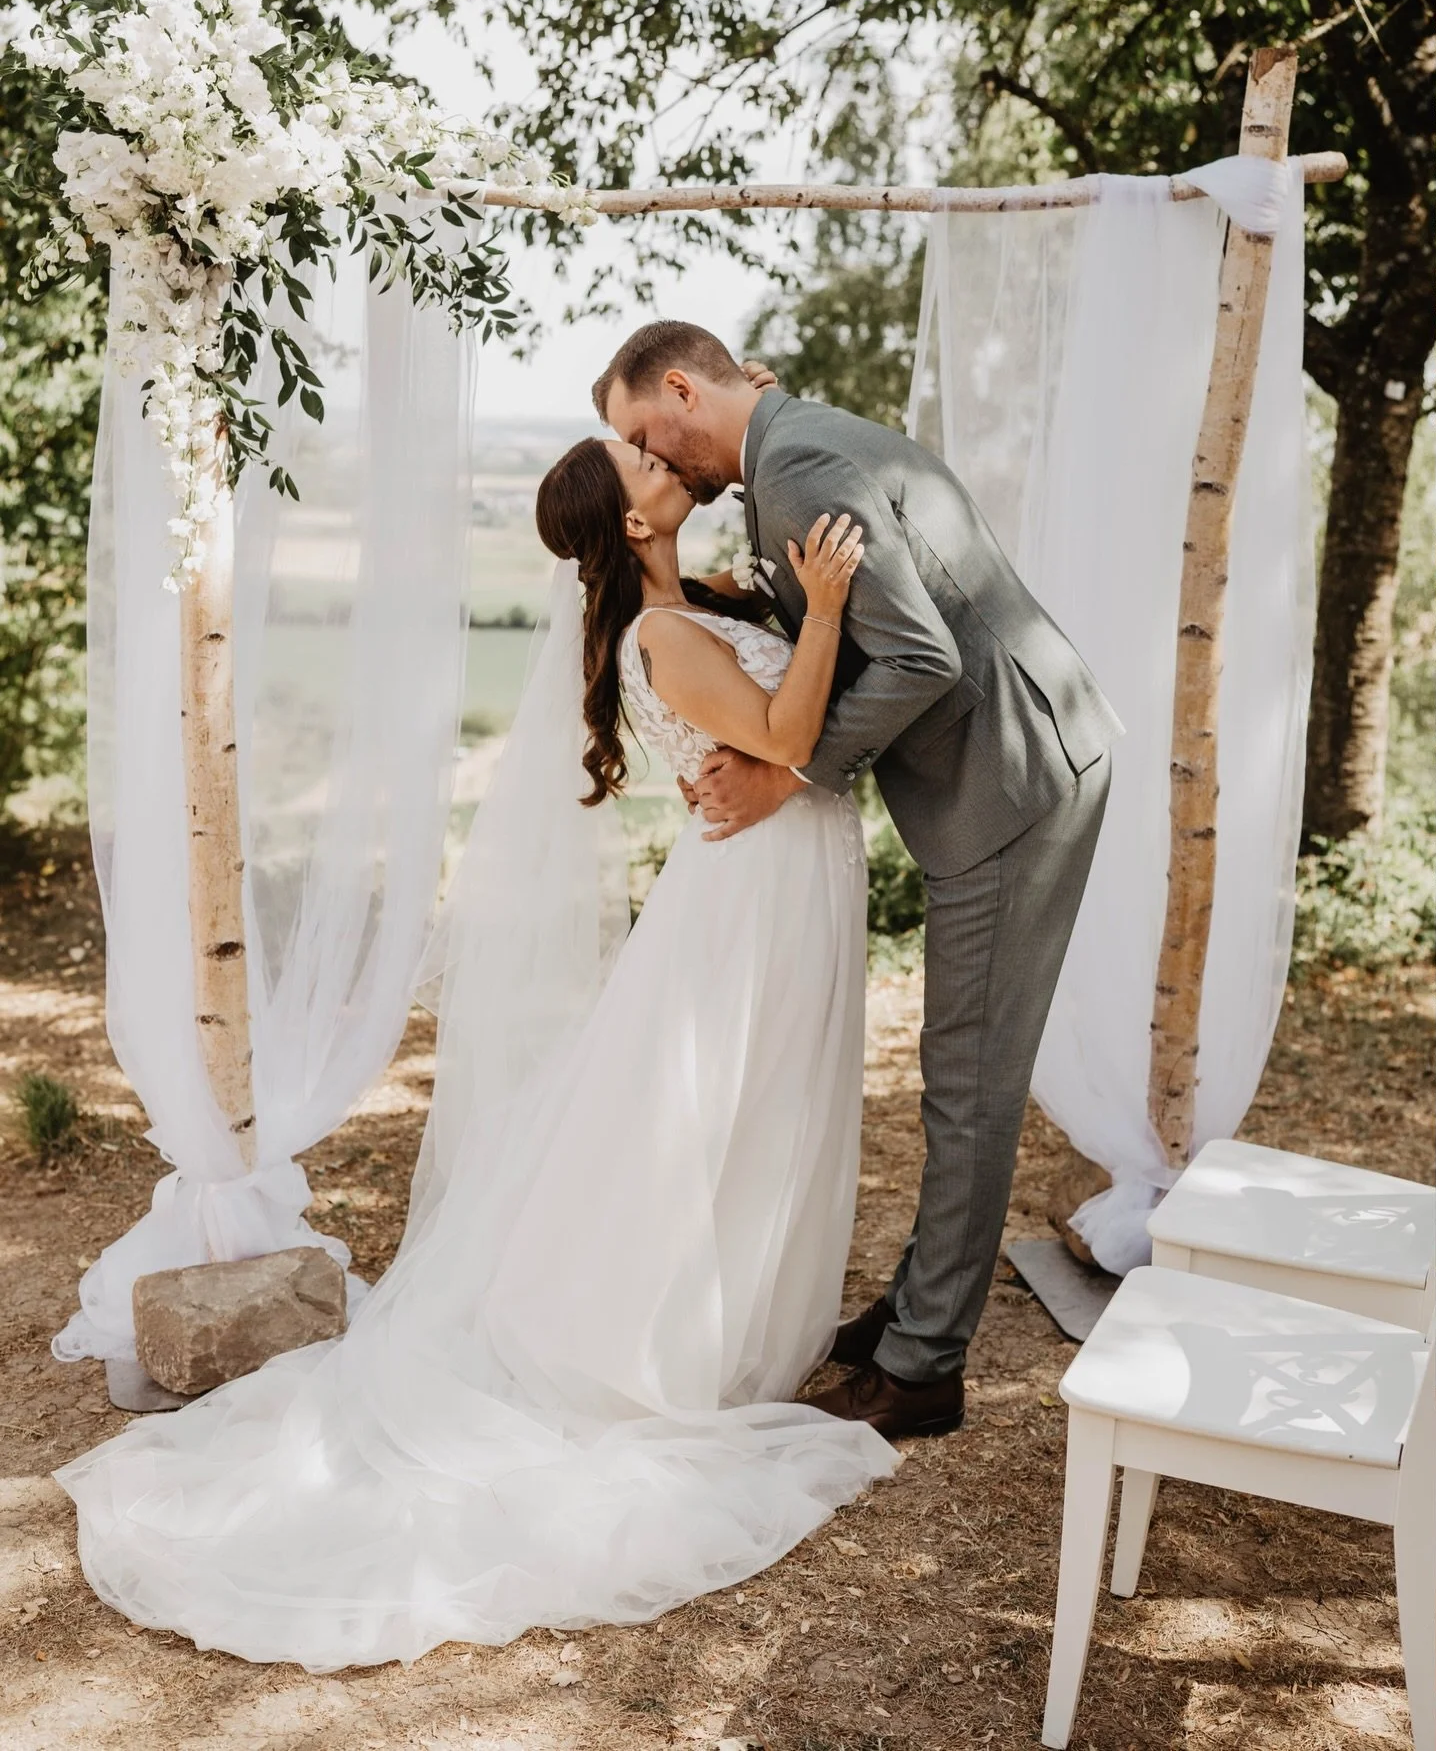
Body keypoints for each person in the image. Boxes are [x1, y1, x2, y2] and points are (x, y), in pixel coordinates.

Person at [52, 418, 899, 1673]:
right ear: (631, 522)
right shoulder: (663, 634)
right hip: (752, 899)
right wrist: (823, 608)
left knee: (754, 1106)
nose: (670, 464)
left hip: (785, 880)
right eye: (649, 468)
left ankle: (736, 1312)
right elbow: (782, 736)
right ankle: (668, 1336)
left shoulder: (704, 595)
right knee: (730, 1105)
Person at [596, 321, 1122, 1439]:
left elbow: (921, 655)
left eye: (647, 433)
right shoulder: (795, 444)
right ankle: (916, 1308)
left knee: (968, 1078)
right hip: (1018, 753)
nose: (654, 459)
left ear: (684, 389)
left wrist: (792, 779)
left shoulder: (794, 471)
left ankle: (925, 1362)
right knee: (955, 1068)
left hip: (1013, 779)